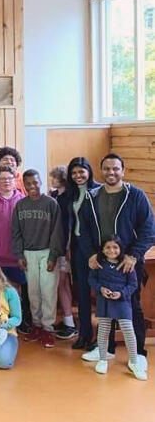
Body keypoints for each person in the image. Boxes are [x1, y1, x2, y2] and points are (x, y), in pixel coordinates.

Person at [80, 154, 155, 373]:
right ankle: (107, 348)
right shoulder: (92, 197)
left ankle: (138, 353)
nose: (111, 173)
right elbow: (83, 230)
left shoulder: (136, 196)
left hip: (128, 263)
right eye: (106, 169)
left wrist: (133, 255)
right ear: (101, 170)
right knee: (104, 306)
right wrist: (91, 254)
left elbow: (148, 229)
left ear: (123, 170)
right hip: (103, 262)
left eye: (115, 169)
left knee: (132, 304)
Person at [11, 169, 63, 348]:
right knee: (33, 293)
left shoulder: (51, 204)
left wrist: (53, 255)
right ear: (23, 185)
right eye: (28, 184)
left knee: (48, 292)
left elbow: (58, 232)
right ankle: (37, 325)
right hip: (28, 254)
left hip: (47, 252)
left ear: (41, 182)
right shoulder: (20, 205)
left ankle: (48, 329)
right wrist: (19, 254)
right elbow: (16, 232)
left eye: (35, 182)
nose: (32, 186)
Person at [88, 236, 145, 380]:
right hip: (104, 302)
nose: (111, 250)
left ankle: (134, 361)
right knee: (104, 329)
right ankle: (102, 359)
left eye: (115, 247)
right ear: (102, 249)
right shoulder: (99, 264)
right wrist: (100, 289)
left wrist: (121, 293)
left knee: (128, 329)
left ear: (120, 249)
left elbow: (133, 284)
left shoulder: (126, 264)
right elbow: (92, 279)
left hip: (122, 301)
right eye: (107, 247)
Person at [0, 165, 29, 333]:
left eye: (10, 178)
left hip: (17, 255)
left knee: (17, 289)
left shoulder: (23, 200)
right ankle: (0, 320)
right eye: (2, 179)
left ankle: (18, 319)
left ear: (15, 180)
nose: (7, 182)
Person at [65, 157, 100, 350]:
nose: (78, 176)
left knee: (100, 293)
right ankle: (84, 333)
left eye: (81, 172)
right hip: (78, 247)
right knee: (83, 293)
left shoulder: (99, 191)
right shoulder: (70, 195)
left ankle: (102, 337)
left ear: (89, 172)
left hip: (98, 248)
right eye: (74, 173)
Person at [48, 165, 76, 340]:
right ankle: (67, 320)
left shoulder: (68, 197)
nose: (52, 180)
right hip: (56, 245)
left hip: (65, 246)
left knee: (63, 283)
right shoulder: (56, 195)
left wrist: (67, 246)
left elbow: (69, 225)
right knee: (60, 283)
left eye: (55, 177)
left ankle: (70, 323)